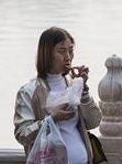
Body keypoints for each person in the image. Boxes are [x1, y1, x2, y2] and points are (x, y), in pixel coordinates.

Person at [14, 27, 102, 164]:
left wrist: (83, 90)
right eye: (61, 51)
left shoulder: (73, 85)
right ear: (47, 54)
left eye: (71, 50)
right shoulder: (29, 92)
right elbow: (22, 134)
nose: (68, 57)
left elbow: (93, 122)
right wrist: (51, 119)